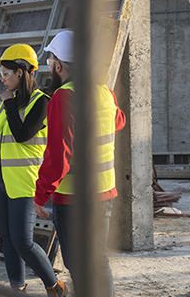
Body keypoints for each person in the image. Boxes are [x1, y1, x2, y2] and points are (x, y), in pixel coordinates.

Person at [0, 44, 68, 297]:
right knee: (9, 240)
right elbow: (5, 143)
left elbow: (23, 135)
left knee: (23, 242)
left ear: (21, 72)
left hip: (24, 182)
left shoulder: (42, 101)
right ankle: (18, 290)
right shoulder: (8, 102)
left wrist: (9, 104)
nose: (2, 79)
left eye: (6, 74)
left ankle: (54, 285)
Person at [33, 31, 126, 297]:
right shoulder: (105, 93)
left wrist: (41, 195)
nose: (50, 65)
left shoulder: (64, 97)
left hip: (73, 197)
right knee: (99, 260)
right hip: (104, 191)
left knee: (78, 264)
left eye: (51, 60)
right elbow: (119, 121)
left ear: (58, 66)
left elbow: (58, 156)